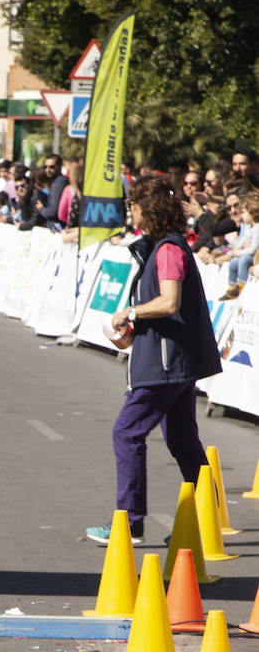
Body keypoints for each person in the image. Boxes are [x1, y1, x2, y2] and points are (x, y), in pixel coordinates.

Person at [85, 175, 221, 545]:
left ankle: (130, 522)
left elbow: (170, 302)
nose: (130, 212)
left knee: (127, 433)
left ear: (150, 208)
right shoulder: (159, 247)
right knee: (181, 439)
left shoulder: (168, 251)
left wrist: (131, 313)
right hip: (170, 360)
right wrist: (133, 327)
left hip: (166, 364)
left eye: (133, 205)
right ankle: (206, 518)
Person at [221, 190, 259, 298]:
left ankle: (241, 285)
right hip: (245, 253)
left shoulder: (257, 229)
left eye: (244, 212)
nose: (241, 215)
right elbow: (242, 240)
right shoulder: (249, 228)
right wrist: (234, 251)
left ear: (252, 212)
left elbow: (252, 250)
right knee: (234, 263)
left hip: (252, 257)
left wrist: (238, 253)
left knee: (243, 260)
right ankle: (231, 287)